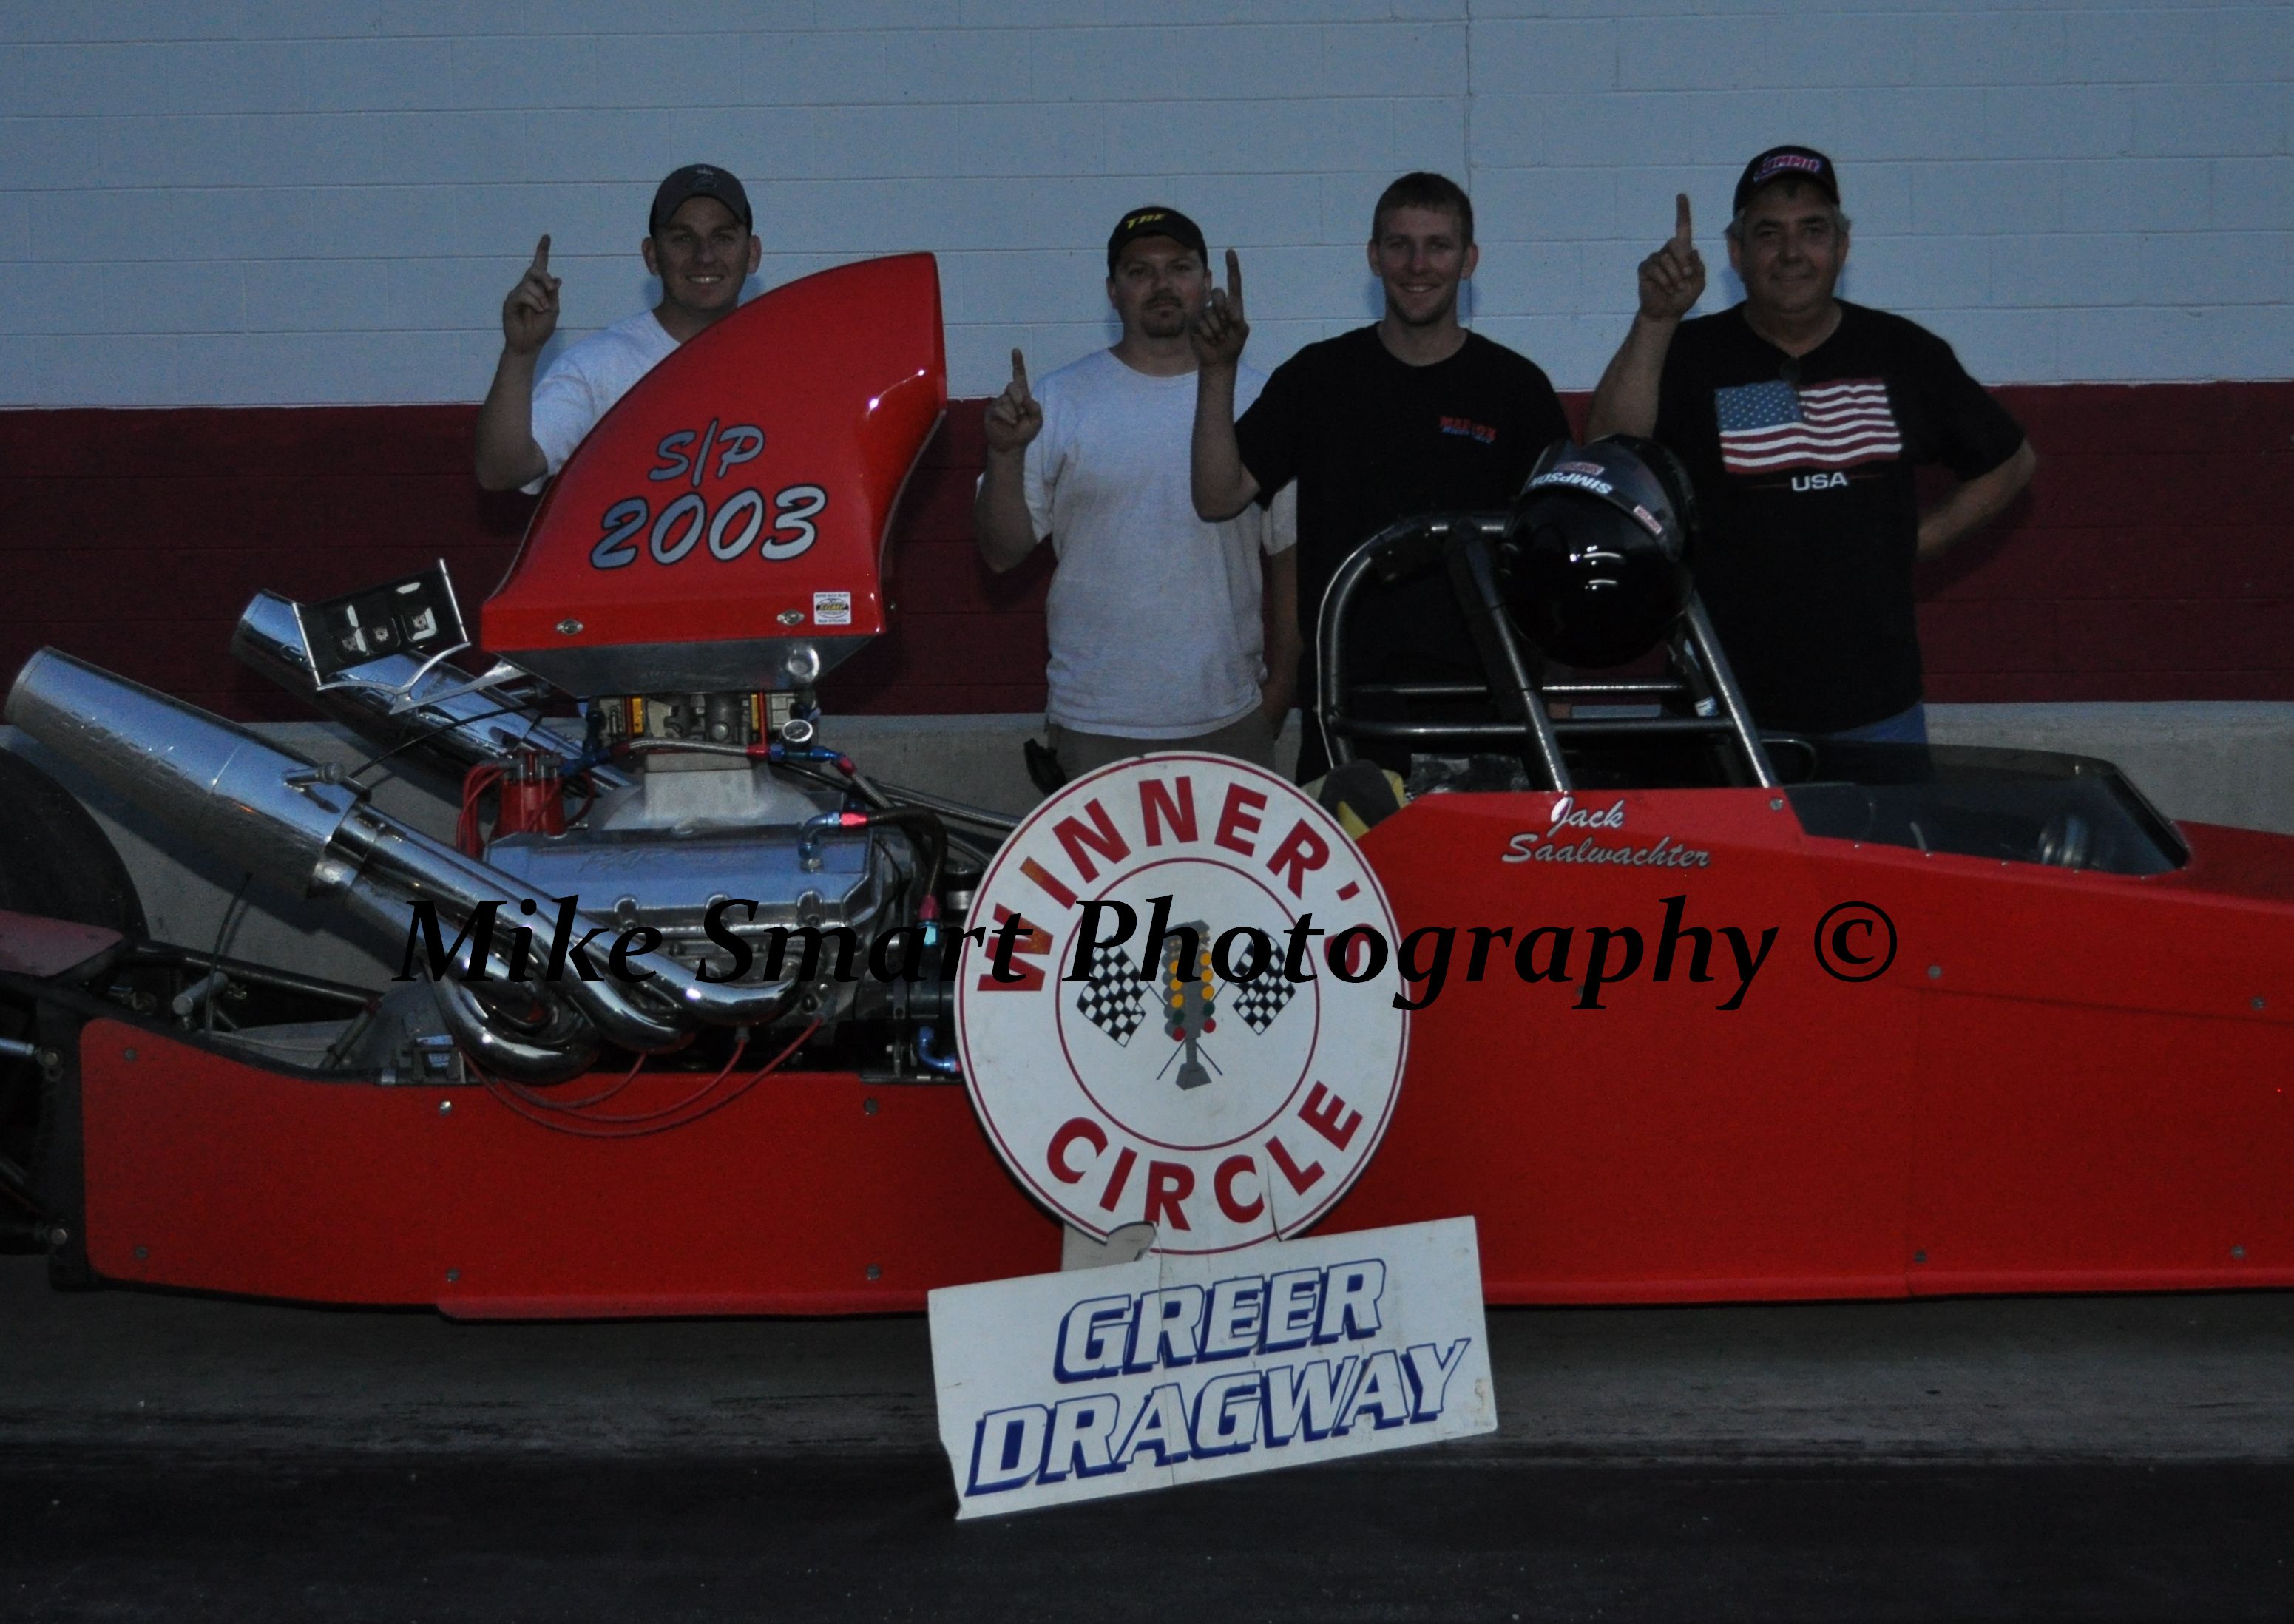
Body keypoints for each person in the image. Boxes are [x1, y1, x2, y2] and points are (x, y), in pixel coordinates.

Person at [1586, 146, 2037, 744]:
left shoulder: (1902, 352)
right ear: (1737, 254)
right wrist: (1655, 322)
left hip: (1875, 709)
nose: (1792, 252)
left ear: (1842, 247)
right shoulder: (1687, 354)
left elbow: (2011, 463)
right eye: (1768, 233)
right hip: (1721, 708)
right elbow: (1608, 454)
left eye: (1813, 231)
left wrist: (1915, 540)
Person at [1189, 172, 1572, 783]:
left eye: (1438, 246)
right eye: (1399, 245)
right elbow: (1216, 496)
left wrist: (1558, 696)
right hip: (1349, 704)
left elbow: (1556, 554)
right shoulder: (1318, 377)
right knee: (1353, 852)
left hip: (1486, 707)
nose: (1418, 265)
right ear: (1373, 256)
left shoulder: (1517, 388)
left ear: (1469, 260)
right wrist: (1217, 371)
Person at [973, 206, 1298, 777]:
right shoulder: (1060, 399)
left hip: (1228, 714)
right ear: (1113, 291)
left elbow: (1292, 557)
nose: (1161, 284)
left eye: (1179, 268)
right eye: (1139, 271)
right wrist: (1004, 455)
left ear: (1206, 283)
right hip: (1096, 720)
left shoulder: (1261, 400)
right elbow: (1002, 553)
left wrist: (1278, 695)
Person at [474, 163, 761, 493]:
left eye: (722, 237)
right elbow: (500, 472)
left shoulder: (786, 360)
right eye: (683, 239)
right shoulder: (599, 366)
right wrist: (520, 354)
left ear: (752, 253)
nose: (705, 256)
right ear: (652, 256)